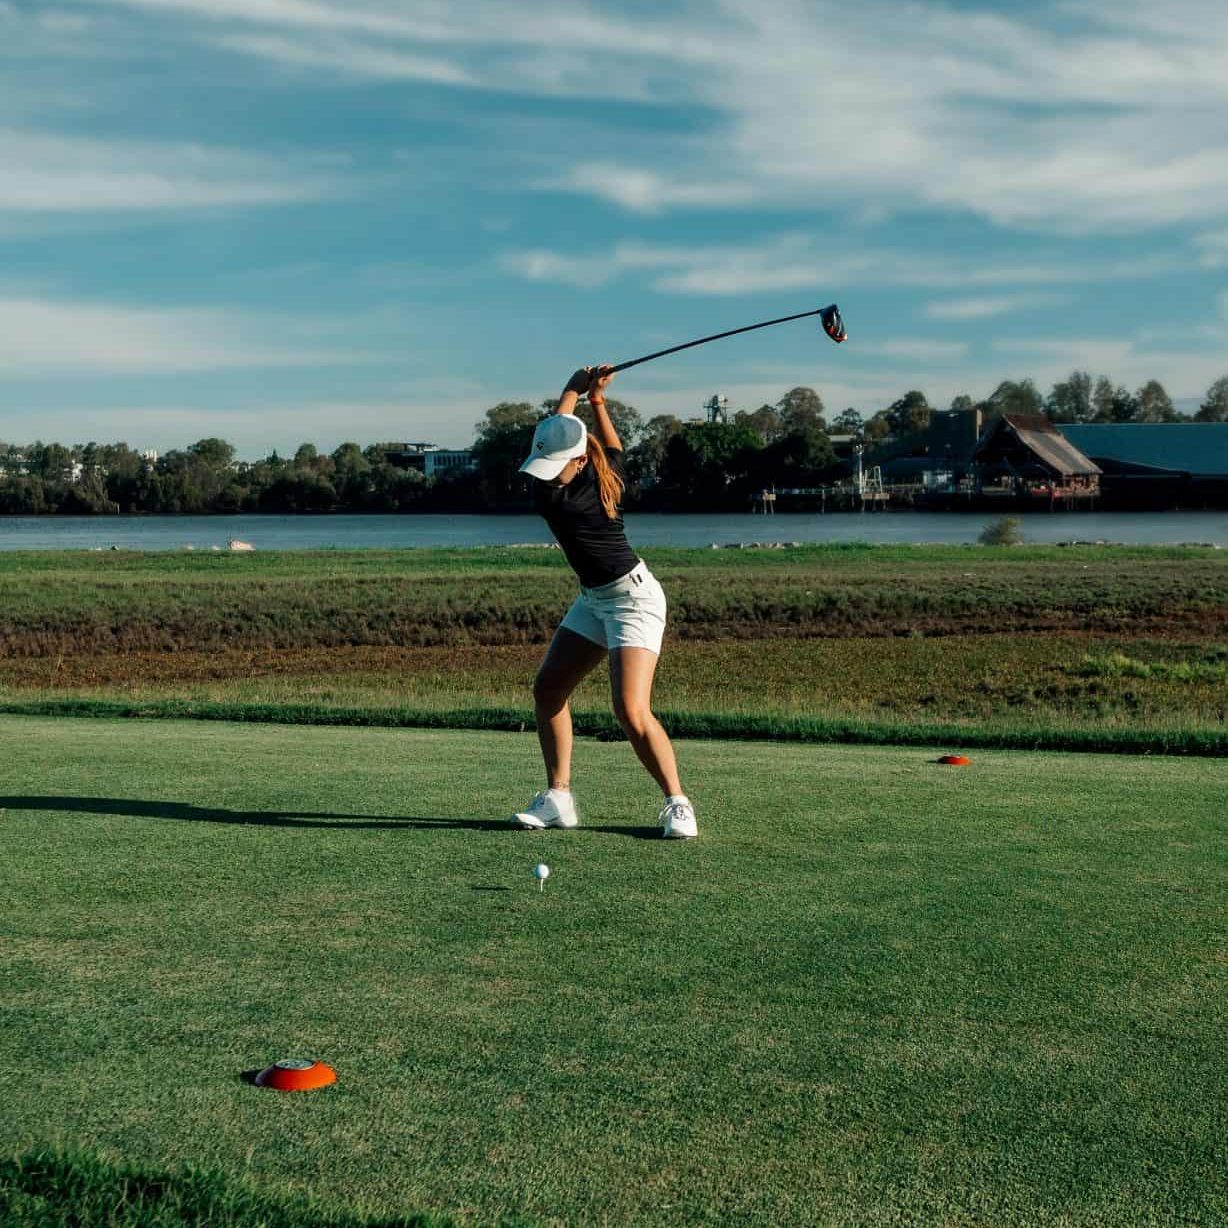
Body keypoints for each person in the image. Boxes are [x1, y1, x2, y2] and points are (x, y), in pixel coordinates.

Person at [510, 364, 698, 839]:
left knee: (630, 711)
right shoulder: (605, 471)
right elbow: (597, 442)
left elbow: (566, 427)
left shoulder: (558, 500)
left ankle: (678, 804)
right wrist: (594, 398)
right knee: (549, 689)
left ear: (576, 461)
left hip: (634, 600)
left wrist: (573, 388)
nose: (547, 476)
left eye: (557, 466)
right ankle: (559, 799)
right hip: (594, 599)